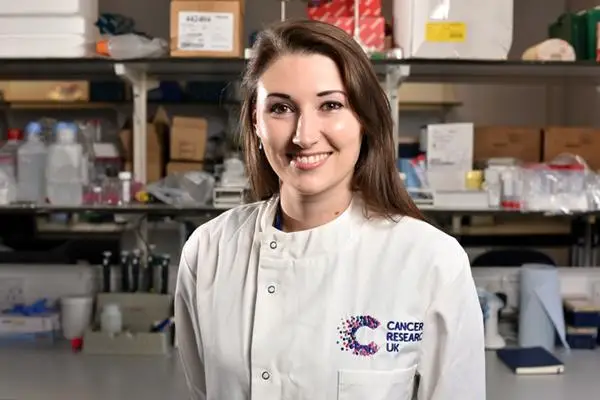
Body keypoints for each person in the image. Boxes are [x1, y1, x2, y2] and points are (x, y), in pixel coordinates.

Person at [175, 19, 485, 400]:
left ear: (364, 121)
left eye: (331, 105)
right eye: (281, 108)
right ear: (255, 122)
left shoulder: (432, 262)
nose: (304, 136)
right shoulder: (208, 252)